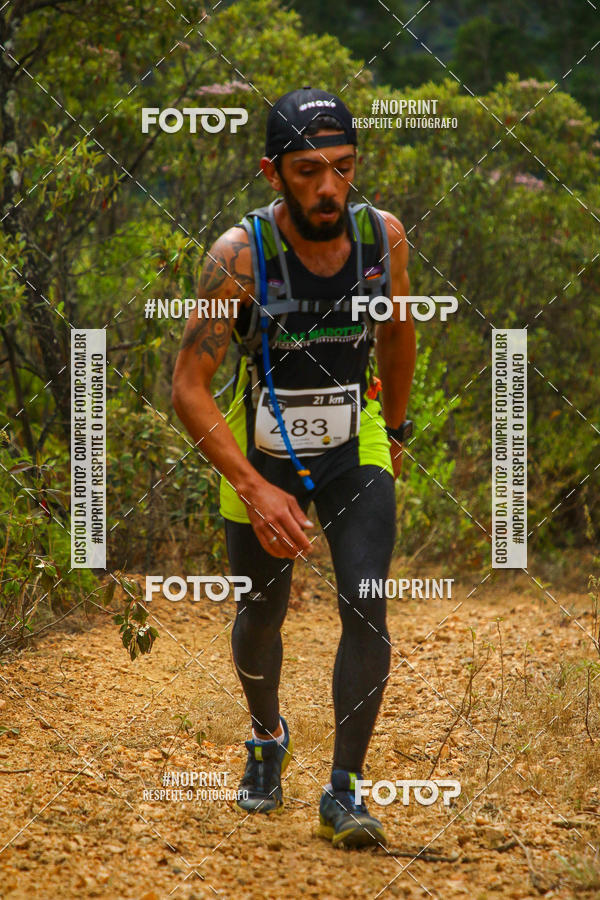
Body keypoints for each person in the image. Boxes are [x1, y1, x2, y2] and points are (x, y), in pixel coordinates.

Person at [172, 86, 416, 848]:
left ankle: (345, 790)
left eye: (342, 168)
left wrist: (398, 428)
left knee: (365, 604)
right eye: (308, 169)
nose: (328, 188)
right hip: (262, 454)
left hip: (356, 442)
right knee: (262, 614)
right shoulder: (238, 257)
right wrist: (254, 485)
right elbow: (188, 388)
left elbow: (399, 334)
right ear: (272, 172)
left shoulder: (383, 239)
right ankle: (266, 736)